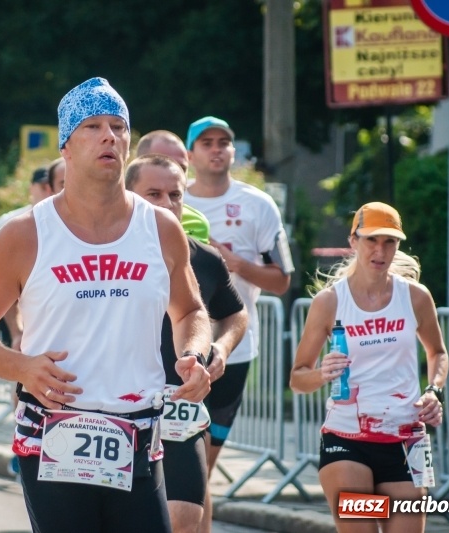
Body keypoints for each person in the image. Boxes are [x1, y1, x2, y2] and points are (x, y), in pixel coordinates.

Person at [0, 77, 212, 533]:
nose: (110, 135)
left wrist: (193, 353)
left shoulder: (161, 228)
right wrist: (23, 367)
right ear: (65, 146)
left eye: (119, 125)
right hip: (55, 431)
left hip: (139, 430)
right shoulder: (26, 234)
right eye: (92, 126)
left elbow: (190, 311)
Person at [290, 202, 449, 533]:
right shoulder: (330, 302)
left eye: (389, 242)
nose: (380, 251)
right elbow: (297, 378)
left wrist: (434, 390)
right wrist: (323, 373)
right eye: (371, 240)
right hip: (347, 439)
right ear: (353, 242)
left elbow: (438, 353)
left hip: (407, 439)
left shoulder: (416, 297)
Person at [125, 154, 248, 533]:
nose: (165, 204)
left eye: (174, 195)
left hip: (180, 409)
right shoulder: (103, 254)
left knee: (183, 520)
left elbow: (235, 313)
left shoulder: (206, 259)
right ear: (127, 195)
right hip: (117, 410)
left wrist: (222, 349)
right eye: (153, 194)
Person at [184, 115, 295, 532]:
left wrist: (236, 264)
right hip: (171, 353)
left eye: (224, 142)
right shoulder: (173, 201)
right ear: (191, 153)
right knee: (181, 468)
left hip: (231, 351)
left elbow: (283, 280)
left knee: (200, 468)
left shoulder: (257, 204)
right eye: (207, 142)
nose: (217, 149)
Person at [135, 129, 210, 244]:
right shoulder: (109, 218)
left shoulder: (196, 222)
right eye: (162, 165)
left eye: (182, 168)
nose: (173, 173)